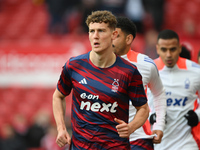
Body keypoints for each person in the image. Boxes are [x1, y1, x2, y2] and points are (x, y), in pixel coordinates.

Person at [52, 10, 149, 150]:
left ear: (113, 35)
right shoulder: (74, 66)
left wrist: (131, 127)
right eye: (92, 31)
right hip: (81, 147)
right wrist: (61, 128)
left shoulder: (129, 72)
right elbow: (58, 96)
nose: (95, 36)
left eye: (101, 31)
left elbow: (143, 108)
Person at [112, 16, 166, 150]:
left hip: (138, 138)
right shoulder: (95, 64)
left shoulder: (145, 64)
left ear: (128, 39)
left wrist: (159, 125)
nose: (110, 39)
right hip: (107, 139)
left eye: (116, 36)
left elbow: (159, 94)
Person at [151, 29, 200, 150]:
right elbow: (136, 102)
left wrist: (198, 115)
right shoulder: (148, 71)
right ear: (157, 49)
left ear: (179, 48)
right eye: (164, 49)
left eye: (172, 49)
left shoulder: (195, 70)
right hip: (159, 143)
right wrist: (150, 116)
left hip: (187, 142)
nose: (168, 54)